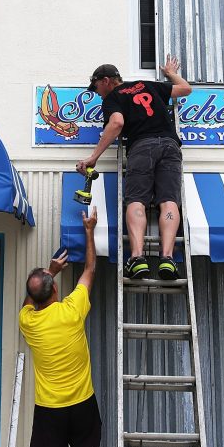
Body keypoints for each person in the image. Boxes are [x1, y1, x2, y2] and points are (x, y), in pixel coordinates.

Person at [76, 55, 192, 280]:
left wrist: (94, 157)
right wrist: (170, 74)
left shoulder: (113, 98)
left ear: (107, 80)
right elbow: (185, 89)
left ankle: (138, 258)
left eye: (97, 86)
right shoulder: (149, 85)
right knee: (169, 200)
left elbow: (117, 123)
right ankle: (167, 259)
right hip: (169, 145)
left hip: (142, 146)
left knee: (136, 200)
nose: (97, 91)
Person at [18, 207, 101, 447]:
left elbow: (30, 301)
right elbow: (90, 268)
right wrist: (89, 231)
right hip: (81, 404)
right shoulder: (72, 311)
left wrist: (49, 272)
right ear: (55, 288)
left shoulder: (28, 323)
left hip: (48, 409)